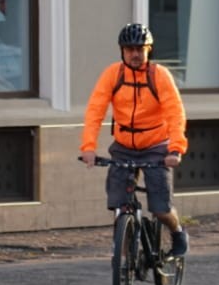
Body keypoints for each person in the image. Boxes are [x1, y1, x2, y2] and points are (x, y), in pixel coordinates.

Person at [79, 23, 189, 257]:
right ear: (122, 51)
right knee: (119, 204)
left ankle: (178, 231)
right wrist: (88, 147)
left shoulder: (159, 76)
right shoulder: (113, 74)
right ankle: (126, 257)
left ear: (149, 50)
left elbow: (175, 113)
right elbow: (95, 110)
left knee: (160, 208)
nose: (135, 54)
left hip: (156, 147)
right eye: (130, 49)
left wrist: (175, 149)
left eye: (141, 49)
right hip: (123, 147)